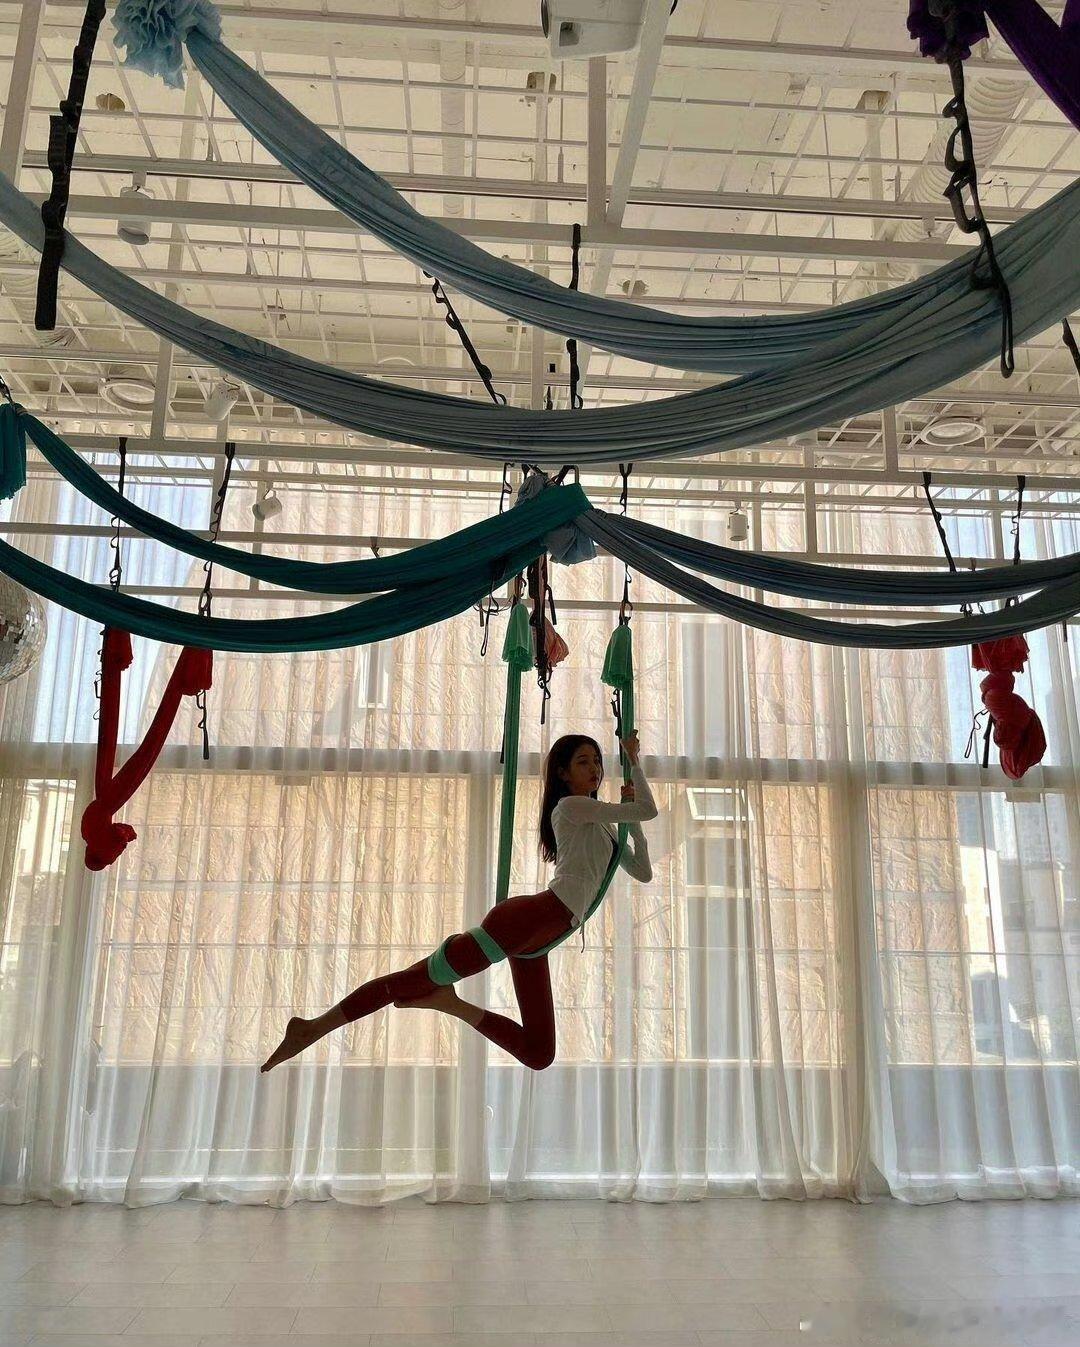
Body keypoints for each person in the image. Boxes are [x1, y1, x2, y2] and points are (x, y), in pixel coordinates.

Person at [260, 731, 658, 1073]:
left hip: (540, 939)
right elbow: (648, 808)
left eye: (598, 762)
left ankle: (450, 1004)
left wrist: (631, 825)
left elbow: (642, 870)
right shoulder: (571, 807)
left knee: (539, 1053)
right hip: (527, 921)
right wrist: (634, 763)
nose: (595, 769)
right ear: (563, 773)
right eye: (583, 761)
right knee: (409, 981)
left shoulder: (604, 825)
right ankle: (311, 1028)